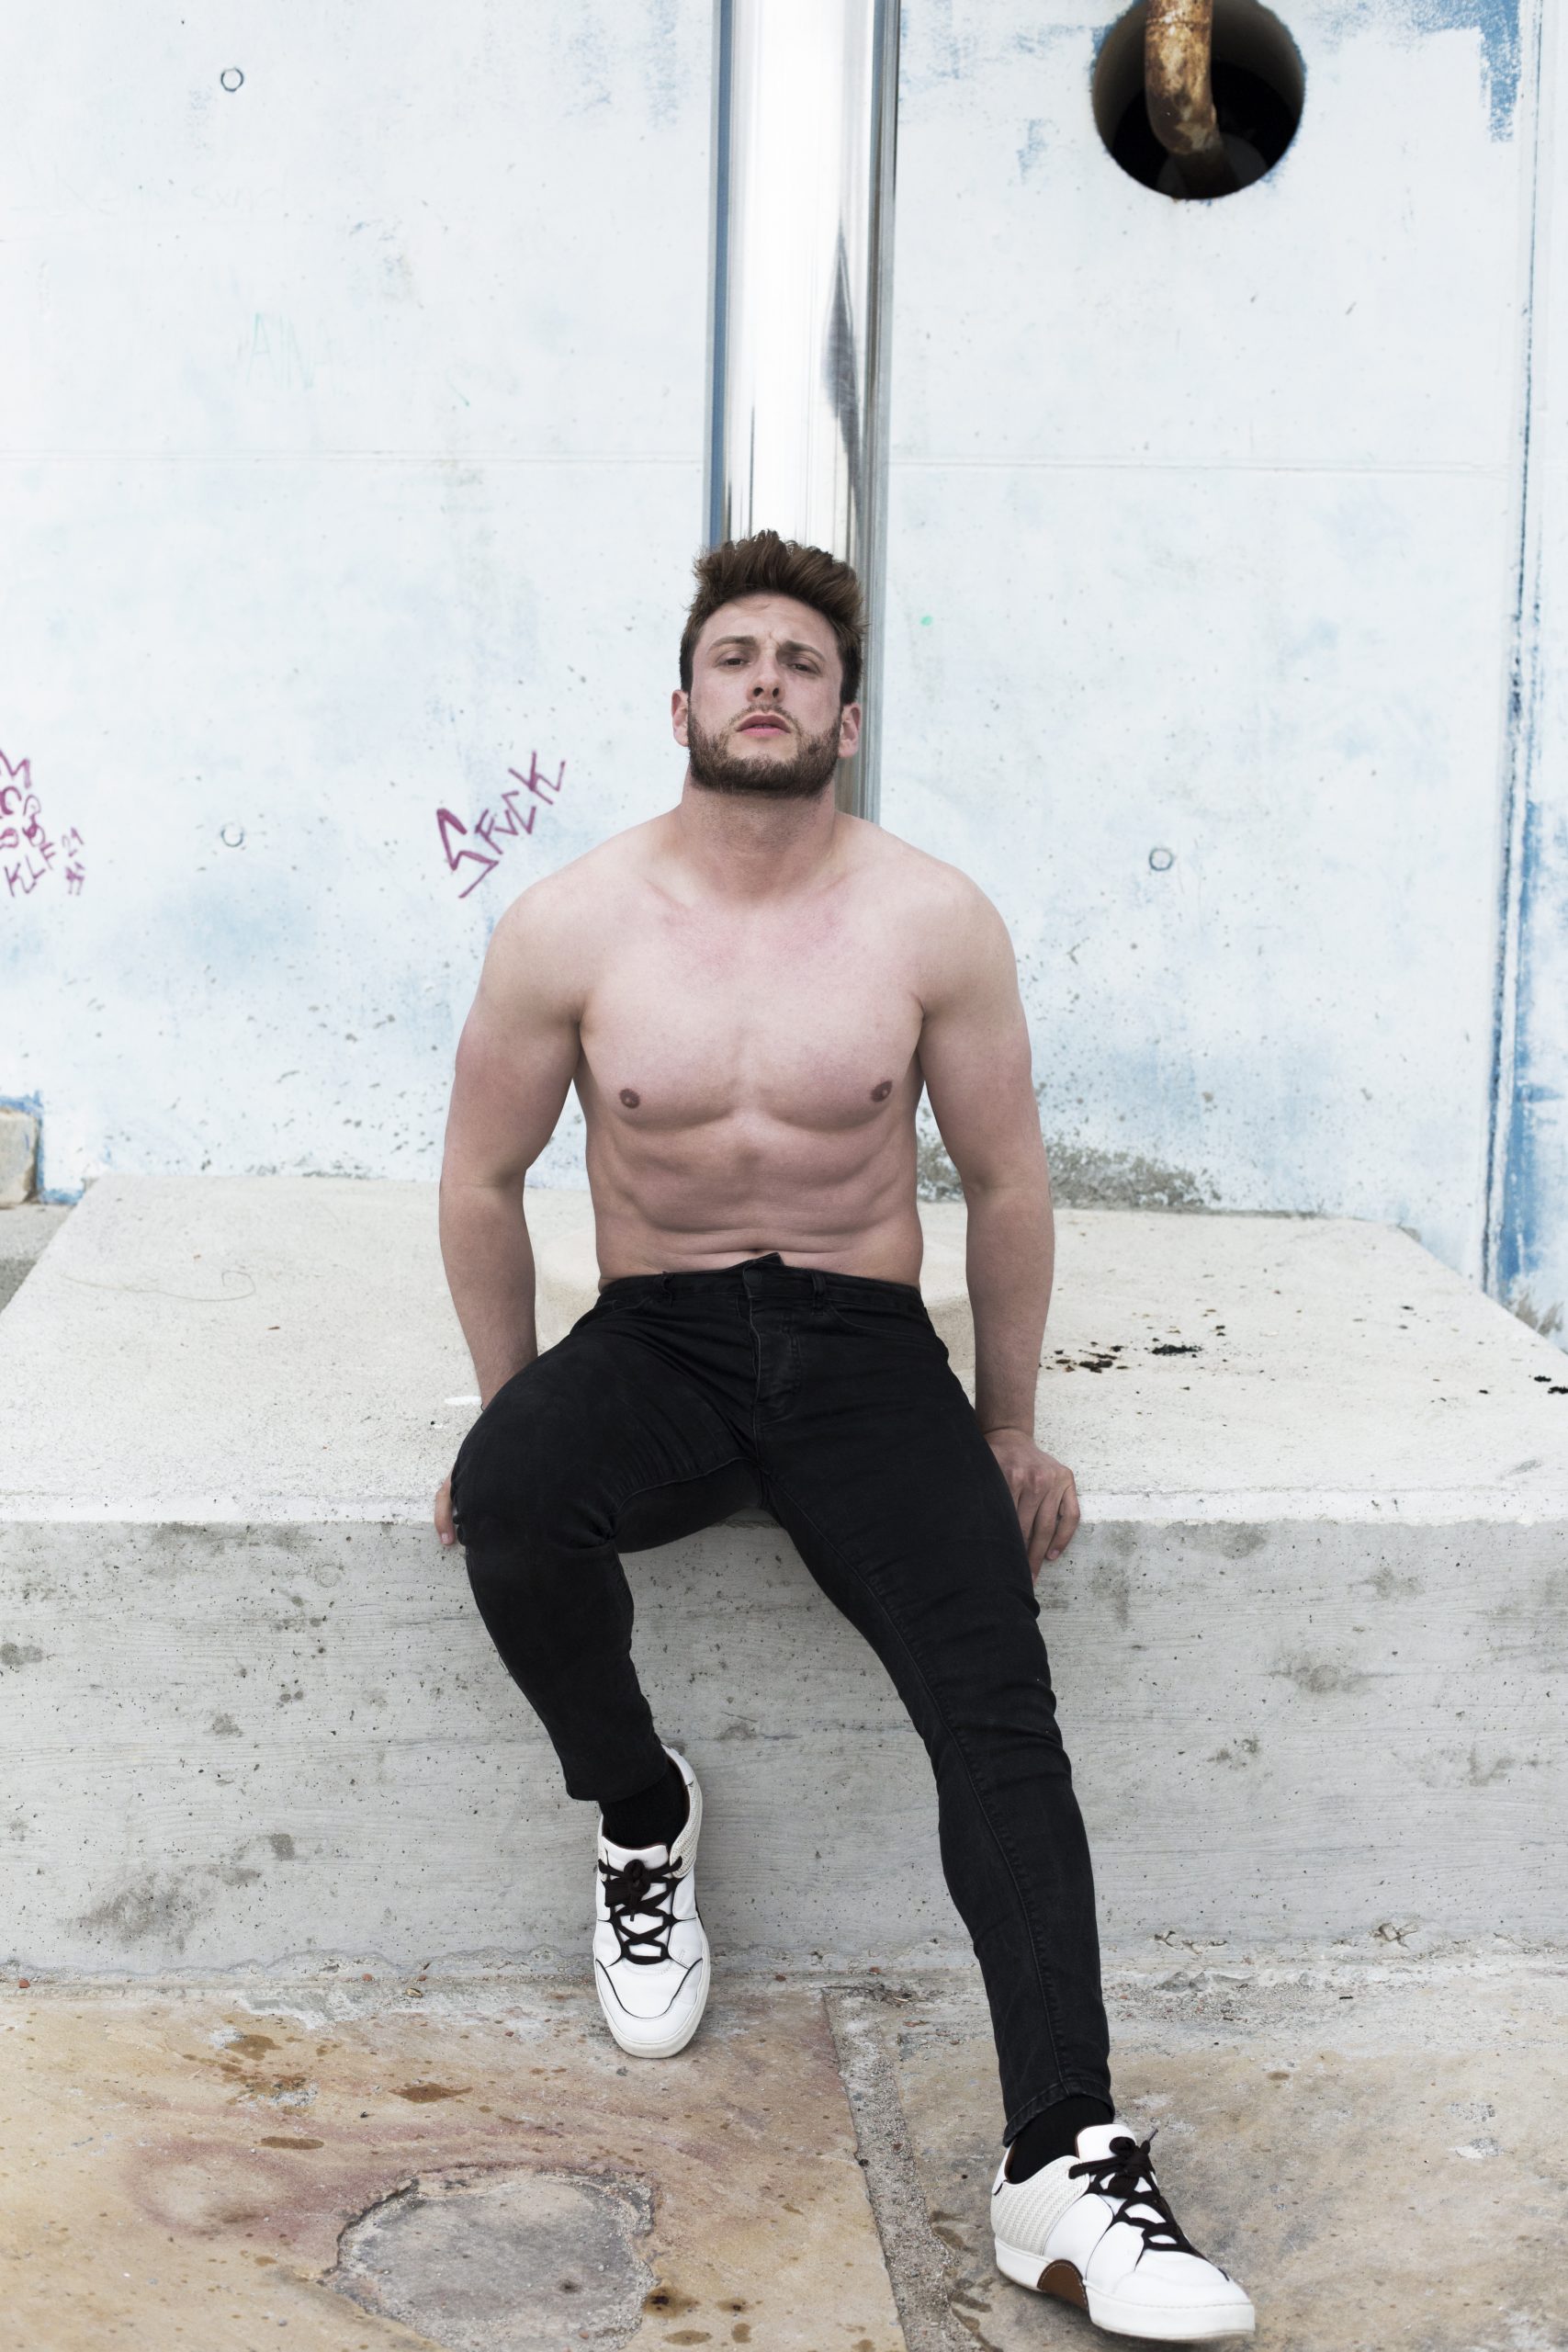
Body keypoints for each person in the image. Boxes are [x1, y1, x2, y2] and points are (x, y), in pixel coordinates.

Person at [434, 530, 1255, 2341]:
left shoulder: (928, 919)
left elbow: (1008, 1180)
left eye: (800, 663)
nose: (766, 682)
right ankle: (641, 1816)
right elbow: (481, 1178)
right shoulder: (570, 923)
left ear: (847, 718)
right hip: (657, 1331)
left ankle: (1062, 2158)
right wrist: (513, 1411)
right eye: (734, 656)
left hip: (864, 1349)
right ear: (679, 703)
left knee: (993, 1697)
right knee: (510, 1502)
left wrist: (1010, 1422)